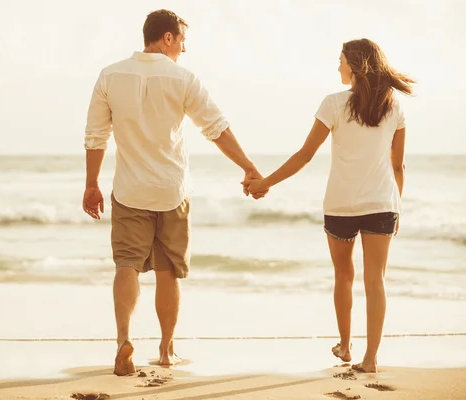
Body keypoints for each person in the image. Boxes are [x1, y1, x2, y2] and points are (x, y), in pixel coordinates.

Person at [83, 9, 264, 376]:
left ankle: (123, 341)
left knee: (127, 265)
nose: (184, 48)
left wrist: (91, 184)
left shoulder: (110, 74)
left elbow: (95, 136)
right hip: (171, 191)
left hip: (130, 190)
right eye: (181, 40)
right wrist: (247, 166)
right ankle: (166, 351)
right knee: (168, 272)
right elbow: (216, 129)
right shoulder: (182, 78)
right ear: (167, 38)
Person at [244, 38, 415, 373]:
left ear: (354, 64)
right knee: (375, 280)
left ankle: (346, 346)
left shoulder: (334, 103)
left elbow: (304, 155)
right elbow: (398, 167)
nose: (337, 66)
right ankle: (370, 359)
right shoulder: (394, 107)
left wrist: (265, 183)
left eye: (340, 60)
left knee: (343, 276)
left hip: (340, 205)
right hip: (382, 203)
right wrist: (397, 206)